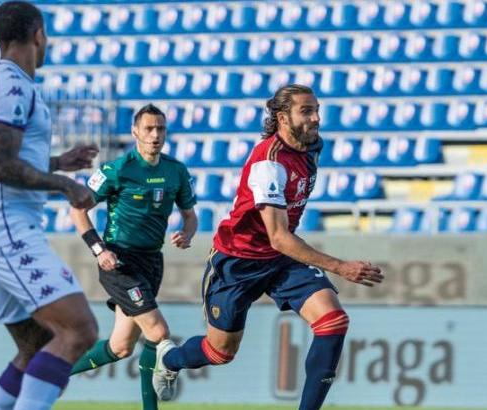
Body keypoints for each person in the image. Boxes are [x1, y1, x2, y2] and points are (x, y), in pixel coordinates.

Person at [152, 84, 384, 409]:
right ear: (282, 117)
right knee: (220, 352)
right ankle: (171, 359)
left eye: (317, 109)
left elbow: (279, 243)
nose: (316, 118)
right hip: (238, 260)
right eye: (306, 111)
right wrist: (341, 266)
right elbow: (278, 235)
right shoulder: (268, 162)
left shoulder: (312, 145)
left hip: (280, 260)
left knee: (333, 320)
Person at [0, 2, 99, 410]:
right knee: (78, 330)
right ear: (39, 34)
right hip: (4, 226)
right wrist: (64, 185)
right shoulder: (13, 85)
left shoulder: (1, 82)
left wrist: (57, 162)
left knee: (36, 342)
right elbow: (0, 165)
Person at [68, 104, 198, 410]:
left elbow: (190, 216)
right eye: (149, 129)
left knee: (121, 347)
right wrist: (99, 250)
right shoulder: (118, 169)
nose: (155, 135)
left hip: (152, 261)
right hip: (120, 262)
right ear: (135, 132)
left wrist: (188, 233)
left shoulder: (175, 170)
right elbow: (78, 210)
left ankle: (52, 373)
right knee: (158, 332)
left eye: (161, 129)